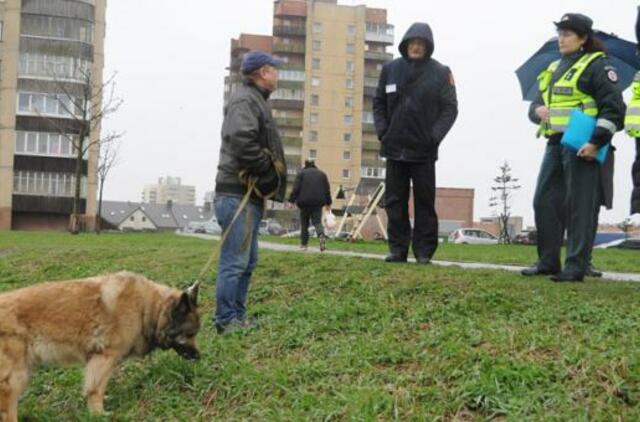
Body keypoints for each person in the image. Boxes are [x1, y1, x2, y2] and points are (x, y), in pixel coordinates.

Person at [522, 13, 626, 282]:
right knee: (543, 200)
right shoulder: (554, 67)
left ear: (583, 38)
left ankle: (576, 266)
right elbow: (534, 105)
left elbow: (614, 109)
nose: (561, 39)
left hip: (582, 144)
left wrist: (595, 142)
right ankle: (547, 261)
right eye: (559, 33)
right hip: (555, 143)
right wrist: (538, 111)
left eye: (567, 34)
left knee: (579, 206)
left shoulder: (598, 65)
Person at [213, 50, 287, 334]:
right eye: (275, 69)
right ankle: (226, 320)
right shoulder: (245, 99)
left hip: (246, 196)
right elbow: (241, 139)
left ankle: (237, 317)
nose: (278, 74)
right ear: (264, 72)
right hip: (236, 194)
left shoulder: (253, 99)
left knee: (247, 261)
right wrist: (267, 171)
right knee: (235, 261)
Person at [373, 22, 458, 265]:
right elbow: (378, 102)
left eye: (421, 44)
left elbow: (450, 109)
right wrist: (383, 131)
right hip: (394, 149)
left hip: (424, 151)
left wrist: (434, 136)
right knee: (394, 202)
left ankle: (423, 252)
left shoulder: (441, 72)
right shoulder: (390, 69)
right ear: (406, 44)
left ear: (427, 47)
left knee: (424, 203)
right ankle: (398, 250)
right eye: (412, 43)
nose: (416, 47)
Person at [288, 160, 332, 251]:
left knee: (304, 224)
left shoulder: (301, 174)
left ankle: (304, 245)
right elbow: (327, 190)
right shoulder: (322, 174)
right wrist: (328, 203)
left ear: (305, 165)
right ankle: (321, 237)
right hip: (317, 203)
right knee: (317, 223)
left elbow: (296, 188)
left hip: (304, 203)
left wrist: (291, 201)